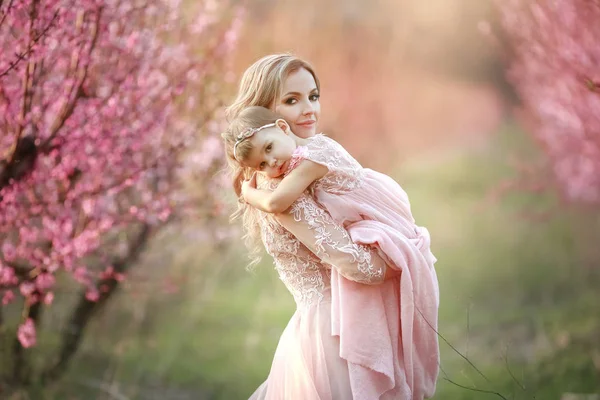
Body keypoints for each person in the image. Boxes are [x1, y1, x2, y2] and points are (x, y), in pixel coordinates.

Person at [224, 54, 439, 399]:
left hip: (348, 321)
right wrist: (403, 257)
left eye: (313, 96)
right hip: (335, 337)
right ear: (266, 113)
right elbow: (358, 267)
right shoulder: (279, 186)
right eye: (292, 100)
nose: (309, 109)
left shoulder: (301, 163)